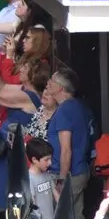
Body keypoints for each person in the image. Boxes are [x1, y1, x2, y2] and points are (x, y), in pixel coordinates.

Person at [46, 69, 92, 218]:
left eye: (52, 80)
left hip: (68, 175)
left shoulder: (64, 110)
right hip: (80, 171)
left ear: (60, 87)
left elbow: (66, 150)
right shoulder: (78, 106)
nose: (48, 82)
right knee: (76, 214)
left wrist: (61, 181)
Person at [26, 137, 56, 218]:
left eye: (50, 159)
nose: (50, 163)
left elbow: (56, 194)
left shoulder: (47, 174)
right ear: (34, 159)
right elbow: (32, 206)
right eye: (46, 160)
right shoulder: (29, 180)